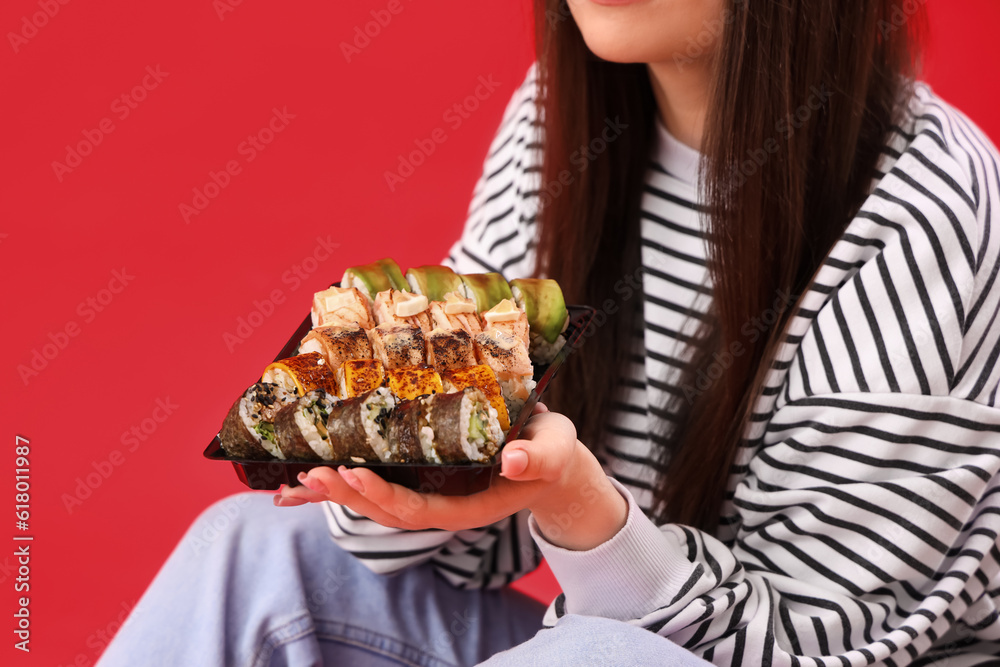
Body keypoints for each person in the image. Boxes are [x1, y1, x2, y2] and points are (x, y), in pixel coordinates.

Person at [98, 0, 1000, 665]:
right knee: (257, 551)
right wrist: (386, 468)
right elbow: (477, 539)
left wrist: (581, 512)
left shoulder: (926, 211)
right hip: (623, 637)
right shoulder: (559, 126)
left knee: (594, 658)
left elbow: (831, 639)